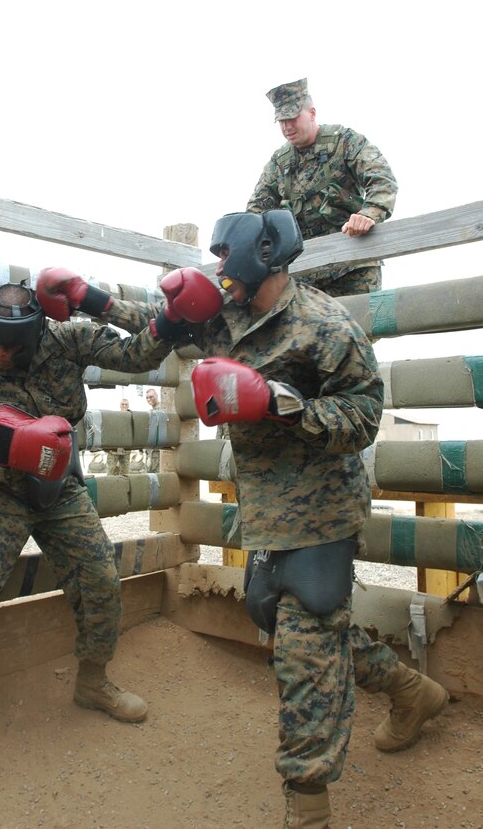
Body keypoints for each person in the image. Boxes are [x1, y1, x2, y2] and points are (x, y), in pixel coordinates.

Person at [0, 263, 222, 782]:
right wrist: (18, 439)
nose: (0, 355)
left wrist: (168, 319)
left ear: (36, 335)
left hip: (58, 489)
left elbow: (137, 355)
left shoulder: (68, 339)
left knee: (101, 578)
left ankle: (93, 681)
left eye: (12, 347)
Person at [186, 210, 448, 828]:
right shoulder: (229, 314)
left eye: (230, 259)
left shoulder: (325, 325)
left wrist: (285, 406)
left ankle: (308, 806)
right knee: (289, 623)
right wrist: (98, 301)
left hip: (322, 508)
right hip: (267, 510)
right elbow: (161, 329)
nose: (221, 271)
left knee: (302, 657)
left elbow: (362, 417)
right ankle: (413, 692)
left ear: (264, 255)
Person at [246, 78, 398, 297]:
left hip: (352, 266)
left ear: (312, 113)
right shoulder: (279, 162)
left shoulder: (345, 141)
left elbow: (382, 179)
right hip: (303, 275)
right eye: (281, 121)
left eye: (292, 118)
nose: (287, 126)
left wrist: (368, 214)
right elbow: (256, 211)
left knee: (360, 329)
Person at [106, 397, 132, 477]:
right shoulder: (115, 417)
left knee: (125, 473)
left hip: (126, 449)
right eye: (122, 404)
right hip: (114, 449)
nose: (124, 406)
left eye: (126, 404)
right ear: (120, 406)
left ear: (128, 406)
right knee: (110, 472)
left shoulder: (131, 418)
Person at [145, 387, 163, 473]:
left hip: (158, 450)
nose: (149, 399)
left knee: (157, 475)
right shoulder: (151, 411)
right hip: (151, 450)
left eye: (151, 396)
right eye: (147, 397)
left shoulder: (163, 408)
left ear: (157, 395)